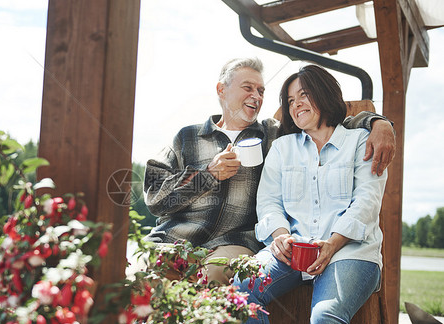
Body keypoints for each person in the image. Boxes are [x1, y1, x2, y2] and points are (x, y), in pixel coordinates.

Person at [143, 57, 395, 285]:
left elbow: (326, 123)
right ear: (222, 90)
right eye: (248, 87)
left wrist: (378, 123)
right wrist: (207, 175)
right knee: (140, 281)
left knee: (212, 282)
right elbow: (155, 199)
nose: (257, 96)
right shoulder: (187, 137)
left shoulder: (274, 134)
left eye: (261, 90)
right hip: (177, 238)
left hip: (234, 243)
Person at [234, 64, 388, 324]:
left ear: (325, 94)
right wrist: (279, 235)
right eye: (290, 100)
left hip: (350, 253)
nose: (296, 105)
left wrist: (332, 244)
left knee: (327, 316)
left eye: (304, 95)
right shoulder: (282, 148)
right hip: (294, 251)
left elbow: (367, 202)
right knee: (242, 290)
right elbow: (268, 202)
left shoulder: (361, 141)